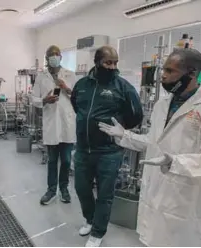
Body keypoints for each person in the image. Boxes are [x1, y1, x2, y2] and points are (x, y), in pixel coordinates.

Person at [99, 48, 201, 247]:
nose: (163, 76)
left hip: (185, 199)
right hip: (155, 191)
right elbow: (154, 143)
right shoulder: (163, 104)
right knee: (153, 239)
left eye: (170, 71)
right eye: (164, 70)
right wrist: (124, 136)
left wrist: (175, 162)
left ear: (192, 73)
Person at [71, 46, 143, 247]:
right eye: (108, 63)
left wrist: (120, 129)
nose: (112, 67)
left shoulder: (123, 87)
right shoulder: (82, 85)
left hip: (109, 152)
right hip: (84, 149)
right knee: (81, 188)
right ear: (97, 62)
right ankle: (90, 219)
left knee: (105, 194)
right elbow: (76, 105)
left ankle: (98, 232)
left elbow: (136, 115)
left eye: (115, 63)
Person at [32, 45, 77, 205]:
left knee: (65, 160)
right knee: (52, 160)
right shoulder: (41, 77)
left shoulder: (70, 75)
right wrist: (44, 100)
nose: (53, 57)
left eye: (56, 54)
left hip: (67, 123)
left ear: (61, 57)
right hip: (51, 122)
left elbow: (78, 98)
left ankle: (64, 189)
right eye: (50, 55)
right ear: (46, 58)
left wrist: (67, 88)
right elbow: (34, 99)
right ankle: (51, 190)